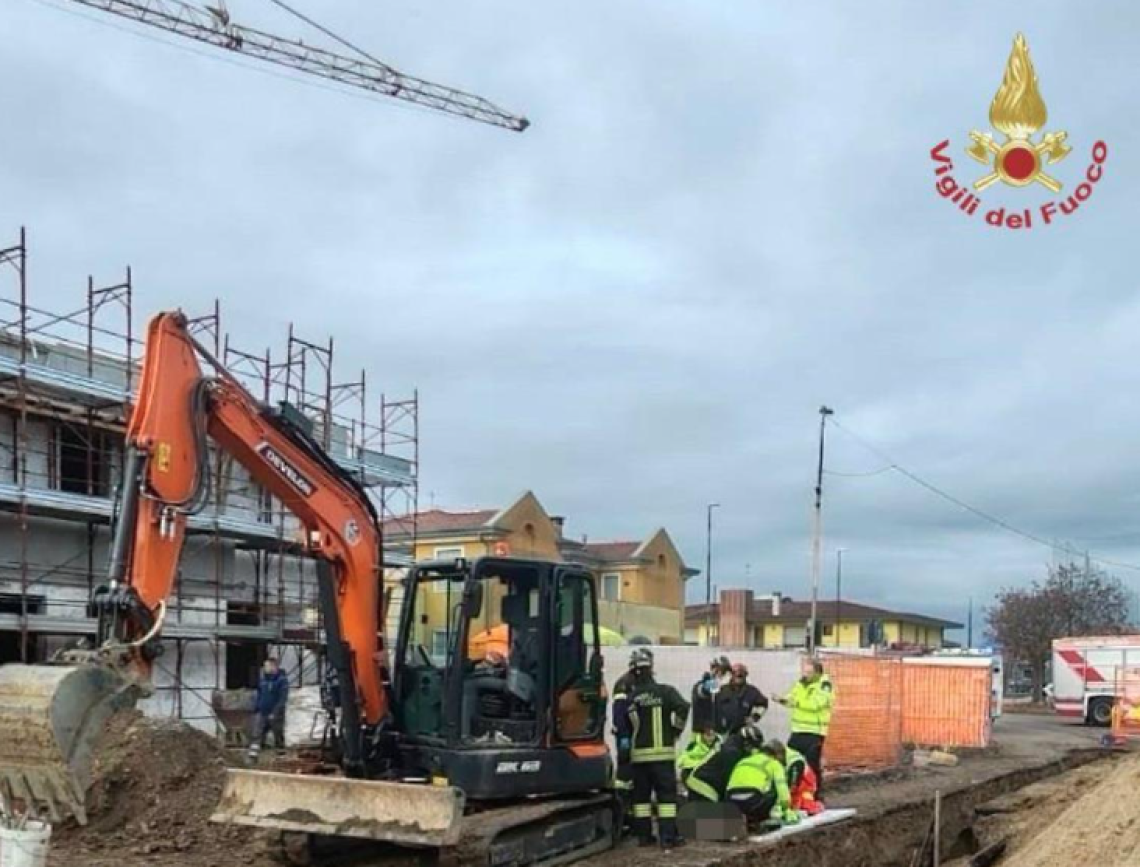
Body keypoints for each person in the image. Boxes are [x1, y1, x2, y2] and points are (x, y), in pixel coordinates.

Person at [625, 648, 690, 848]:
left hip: (639, 758)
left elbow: (627, 726)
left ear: (634, 671)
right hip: (663, 757)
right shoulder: (666, 692)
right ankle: (668, 838)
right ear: (651, 669)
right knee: (666, 799)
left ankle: (644, 837)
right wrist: (676, 730)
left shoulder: (632, 697)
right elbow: (684, 707)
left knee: (641, 800)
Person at [775, 657, 834, 796]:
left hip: (814, 732)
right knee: (790, 760)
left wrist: (796, 702)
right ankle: (792, 790)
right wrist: (782, 700)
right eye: (805, 672)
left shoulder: (824, 685)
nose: (805, 675)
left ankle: (815, 794)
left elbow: (815, 704)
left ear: (817, 673)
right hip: (797, 730)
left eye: (809, 673)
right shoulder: (800, 683)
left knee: (812, 764)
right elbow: (791, 697)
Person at [684, 721, 763, 803]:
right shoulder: (732, 753)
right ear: (746, 743)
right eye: (752, 747)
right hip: (705, 787)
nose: (751, 750)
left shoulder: (731, 743)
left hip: (698, 780)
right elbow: (729, 779)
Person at [725, 740, 796, 827]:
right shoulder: (774, 764)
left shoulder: (743, 761)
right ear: (778, 754)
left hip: (731, 801)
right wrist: (786, 809)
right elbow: (782, 790)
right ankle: (765, 819)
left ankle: (746, 819)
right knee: (774, 787)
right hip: (753, 802)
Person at [611, 650, 642, 832]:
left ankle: (631, 815)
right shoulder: (624, 684)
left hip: (636, 736)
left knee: (636, 776)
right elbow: (619, 713)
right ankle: (622, 813)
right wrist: (623, 738)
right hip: (627, 736)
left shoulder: (640, 682)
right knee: (625, 776)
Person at [248, 657, 289, 763]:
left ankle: (281, 757)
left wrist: (275, 712)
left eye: (266, 666)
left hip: (275, 713)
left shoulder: (281, 680)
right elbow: (259, 694)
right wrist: (257, 708)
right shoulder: (263, 680)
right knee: (257, 733)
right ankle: (253, 757)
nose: (264, 668)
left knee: (278, 734)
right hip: (262, 712)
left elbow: (282, 698)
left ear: (273, 667)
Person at [769, 739, 824, 816]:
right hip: (792, 785)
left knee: (804, 805)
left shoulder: (795, 761)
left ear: (779, 753)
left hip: (805, 786)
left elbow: (793, 785)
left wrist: (782, 803)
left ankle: (816, 805)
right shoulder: (780, 758)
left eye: (774, 757)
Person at [715, 662, 769, 736]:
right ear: (732, 675)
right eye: (736, 675)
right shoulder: (723, 690)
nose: (739, 677)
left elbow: (763, 704)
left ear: (745, 675)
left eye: (741, 675)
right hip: (722, 731)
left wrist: (755, 717)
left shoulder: (752, 691)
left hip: (741, 732)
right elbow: (713, 707)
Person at [691, 656, 731, 736]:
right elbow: (704, 691)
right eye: (723, 671)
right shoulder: (701, 685)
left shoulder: (725, 688)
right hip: (702, 733)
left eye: (726, 672)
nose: (725, 675)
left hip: (719, 732)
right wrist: (711, 679)